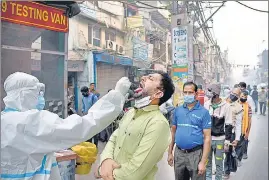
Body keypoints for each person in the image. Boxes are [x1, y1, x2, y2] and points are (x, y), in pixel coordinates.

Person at [1, 72, 131, 180]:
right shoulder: (28, 121)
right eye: (37, 93)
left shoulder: (5, 119)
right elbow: (81, 126)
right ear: (24, 95)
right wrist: (116, 96)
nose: (41, 98)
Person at [95, 72, 175, 180]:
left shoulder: (158, 124)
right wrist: (105, 160)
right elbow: (114, 139)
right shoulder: (131, 112)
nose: (143, 78)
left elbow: (136, 171)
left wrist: (103, 173)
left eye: (150, 78)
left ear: (158, 94)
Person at [167, 81, 211, 180]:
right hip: (179, 154)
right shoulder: (177, 110)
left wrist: (203, 162)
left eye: (190, 92)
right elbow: (172, 132)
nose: (187, 95)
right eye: (185, 92)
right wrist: (170, 153)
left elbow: (207, 138)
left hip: (195, 154)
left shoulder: (204, 113)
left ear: (196, 94)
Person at [204, 84, 227, 180]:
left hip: (220, 140)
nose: (209, 94)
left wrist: (227, 142)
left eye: (211, 91)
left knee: (218, 163)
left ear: (216, 93)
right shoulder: (206, 104)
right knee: (207, 163)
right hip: (208, 139)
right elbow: (204, 122)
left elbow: (228, 125)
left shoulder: (226, 106)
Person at [223, 88, 243, 179]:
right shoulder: (223, 102)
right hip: (219, 131)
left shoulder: (239, 107)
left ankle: (226, 171)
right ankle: (219, 168)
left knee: (227, 152)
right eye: (233, 93)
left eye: (236, 94)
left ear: (238, 97)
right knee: (217, 151)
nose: (234, 95)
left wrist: (237, 138)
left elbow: (238, 124)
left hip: (231, 133)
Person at [236, 91, 252, 166]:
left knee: (241, 146)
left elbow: (249, 120)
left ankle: (238, 159)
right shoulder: (235, 105)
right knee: (234, 146)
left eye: (245, 97)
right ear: (239, 96)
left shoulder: (248, 107)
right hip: (235, 129)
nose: (243, 98)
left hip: (243, 130)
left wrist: (247, 132)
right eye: (242, 96)